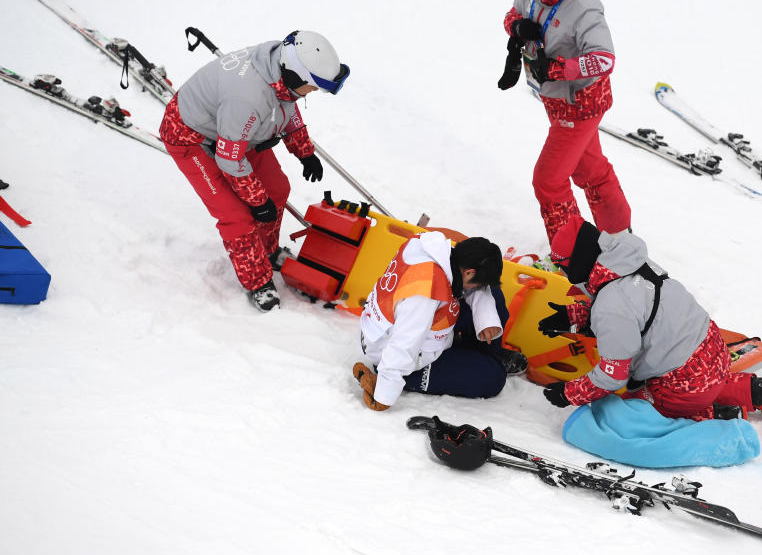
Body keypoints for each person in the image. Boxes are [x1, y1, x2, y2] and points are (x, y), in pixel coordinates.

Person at [159, 30, 349, 311]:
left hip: (235, 133)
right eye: (314, 87)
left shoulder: (279, 72)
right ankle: (258, 281)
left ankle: (268, 252)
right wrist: (258, 202)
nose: (314, 93)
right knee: (236, 216)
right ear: (297, 76)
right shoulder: (247, 99)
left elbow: (284, 108)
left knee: (277, 189)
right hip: (192, 138)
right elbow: (229, 159)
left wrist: (304, 151)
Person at [537, 217, 762, 420]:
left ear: (578, 261)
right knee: (701, 384)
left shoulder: (610, 305)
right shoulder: (628, 263)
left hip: (682, 381)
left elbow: (613, 376)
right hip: (713, 351)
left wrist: (570, 393)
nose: (561, 270)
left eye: (562, 264)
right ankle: (758, 391)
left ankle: (713, 417)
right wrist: (572, 316)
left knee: (621, 412)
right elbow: (636, 312)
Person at [498, 0, 631, 243]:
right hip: (555, 100)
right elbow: (511, 15)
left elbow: (604, 59)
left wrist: (558, 69)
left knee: (548, 181)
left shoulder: (584, 7)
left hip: (579, 105)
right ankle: (620, 240)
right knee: (591, 172)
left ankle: (575, 258)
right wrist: (518, 26)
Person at [352, 233, 516, 411]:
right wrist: (384, 394)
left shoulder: (433, 249)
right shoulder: (425, 292)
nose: (474, 288)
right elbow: (404, 341)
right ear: (469, 273)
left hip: (413, 327)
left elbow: (475, 285)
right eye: (474, 284)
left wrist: (486, 321)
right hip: (392, 352)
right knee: (494, 377)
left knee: (492, 295)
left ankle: (479, 356)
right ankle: (405, 376)